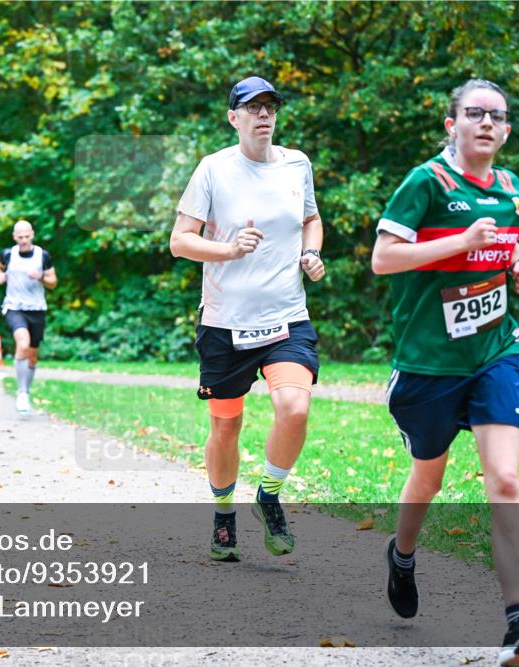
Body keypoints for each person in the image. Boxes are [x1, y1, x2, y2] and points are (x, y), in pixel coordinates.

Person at [372, 79, 519, 666]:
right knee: (428, 479)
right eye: (473, 113)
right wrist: (454, 241)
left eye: (497, 116)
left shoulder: (510, 187)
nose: (486, 123)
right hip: (429, 364)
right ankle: (401, 555)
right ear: (450, 123)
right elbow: (383, 259)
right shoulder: (426, 182)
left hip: (494, 353)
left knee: (504, 478)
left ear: (506, 130)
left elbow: (507, 249)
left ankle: (518, 620)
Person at [169, 76, 326, 563]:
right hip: (225, 323)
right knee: (226, 428)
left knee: (295, 408)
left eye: (270, 107)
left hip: (286, 315)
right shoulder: (213, 170)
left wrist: (312, 252)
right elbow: (180, 241)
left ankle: (269, 495)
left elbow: (310, 219)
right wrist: (228, 249)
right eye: (252, 108)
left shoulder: (297, 164)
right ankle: (222, 516)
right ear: (233, 117)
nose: (264, 115)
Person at [0, 220, 58, 414]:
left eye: (27, 236)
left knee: (32, 356)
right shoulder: (8, 254)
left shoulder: (42, 256)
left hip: (37, 309)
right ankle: (21, 393)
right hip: (14, 307)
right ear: (14, 237)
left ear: (32, 235)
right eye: (20, 237)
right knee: (23, 344)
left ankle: (26, 392)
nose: (23, 241)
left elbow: (53, 282)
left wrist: (41, 277)